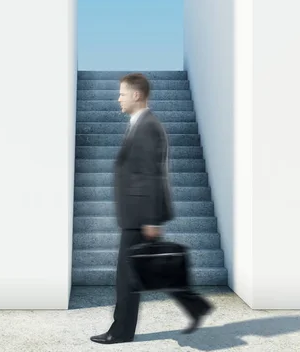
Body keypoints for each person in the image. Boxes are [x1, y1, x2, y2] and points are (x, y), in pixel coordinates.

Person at [90, 73, 213, 345]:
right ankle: (195, 306)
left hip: (140, 216)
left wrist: (150, 218)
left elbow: (153, 175)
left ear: (136, 95)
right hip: (137, 214)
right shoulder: (140, 124)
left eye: (122, 93)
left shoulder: (148, 126)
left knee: (127, 276)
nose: (118, 98)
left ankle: (120, 331)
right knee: (153, 270)